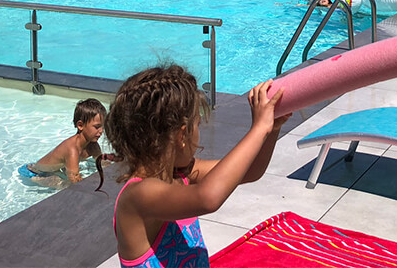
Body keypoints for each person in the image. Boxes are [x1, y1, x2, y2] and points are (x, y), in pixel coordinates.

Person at [105, 65, 289, 268]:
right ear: (181, 135)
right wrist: (259, 128)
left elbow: (250, 171)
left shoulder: (182, 173)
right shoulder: (138, 195)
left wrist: (271, 130)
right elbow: (208, 198)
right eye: (198, 124)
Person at [18, 98, 109, 187]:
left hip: (53, 169)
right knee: (65, 185)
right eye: (97, 127)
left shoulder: (93, 146)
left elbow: (104, 164)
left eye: (102, 127)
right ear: (80, 125)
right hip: (34, 173)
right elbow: (75, 180)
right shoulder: (72, 150)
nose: (101, 131)